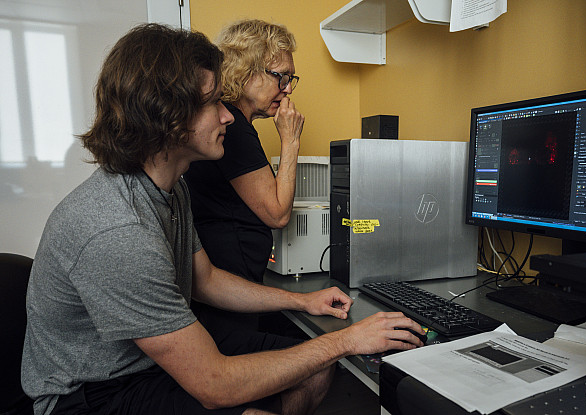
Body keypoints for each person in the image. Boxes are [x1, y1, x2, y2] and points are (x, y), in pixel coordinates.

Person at [21, 23, 424, 415]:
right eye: (213, 103)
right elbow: (216, 385)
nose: (227, 117)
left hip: (146, 364)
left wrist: (304, 300)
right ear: (167, 116)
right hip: (93, 393)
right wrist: (347, 340)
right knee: (312, 362)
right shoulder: (119, 232)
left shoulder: (170, 188)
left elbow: (206, 280)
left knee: (314, 368)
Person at [184, 19, 303, 286]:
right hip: (229, 282)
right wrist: (291, 141)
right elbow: (278, 214)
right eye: (280, 77)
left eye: (291, 78)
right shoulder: (232, 127)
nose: (288, 88)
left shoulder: (229, 121)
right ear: (246, 71)